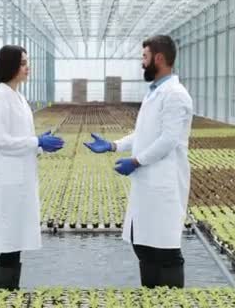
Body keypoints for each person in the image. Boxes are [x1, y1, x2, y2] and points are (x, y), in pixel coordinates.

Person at [85, 35, 192, 288]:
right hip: (148, 182)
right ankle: (151, 296)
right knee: (143, 245)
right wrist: (114, 145)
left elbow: (168, 140)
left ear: (159, 58)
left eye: (144, 57)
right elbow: (144, 133)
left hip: (163, 183)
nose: (141, 63)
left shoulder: (174, 94)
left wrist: (135, 161)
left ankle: (171, 302)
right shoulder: (155, 92)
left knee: (166, 250)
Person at [0, 45, 64, 290]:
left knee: (15, 244)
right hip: (8, 182)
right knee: (8, 245)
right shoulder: (0, 97)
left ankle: (9, 293)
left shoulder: (17, 96)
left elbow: (21, 138)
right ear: (9, 66)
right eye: (22, 63)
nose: (27, 68)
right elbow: (1, 141)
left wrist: (39, 143)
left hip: (20, 180)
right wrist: (36, 141)